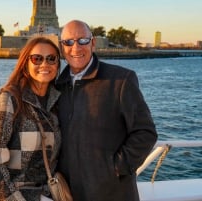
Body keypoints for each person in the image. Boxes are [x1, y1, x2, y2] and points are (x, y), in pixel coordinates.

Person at [56, 20, 158, 201]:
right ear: (62, 47)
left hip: (112, 193)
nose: (76, 48)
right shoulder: (57, 87)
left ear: (93, 43)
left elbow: (145, 132)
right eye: (69, 42)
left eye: (83, 41)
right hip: (68, 193)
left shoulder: (121, 80)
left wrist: (116, 168)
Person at [0, 36, 61, 201]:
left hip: (45, 195)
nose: (44, 64)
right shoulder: (8, 100)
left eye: (51, 58)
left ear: (57, 64)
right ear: (26, 62)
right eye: (37, 58)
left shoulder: (57, 103)